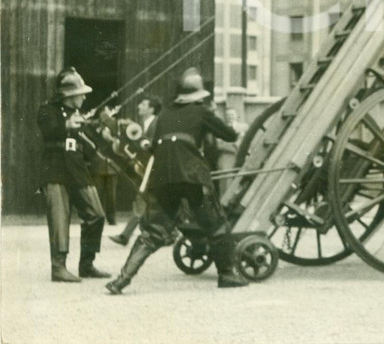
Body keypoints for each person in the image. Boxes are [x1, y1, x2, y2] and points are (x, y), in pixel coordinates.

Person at [106, 68, 248, 294]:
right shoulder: (202, 111)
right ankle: (227, 274)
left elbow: (153, 147)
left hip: (163, 177)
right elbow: (229, 136)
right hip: (192, 177)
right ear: (200, 95)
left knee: (153, 232)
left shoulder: (165, 114)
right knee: (217, 224)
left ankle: (121, 280)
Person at [37, 67, 111, 282]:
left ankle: (86, 264)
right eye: (81, 93)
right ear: (69, 95)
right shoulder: (47, 110)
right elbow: (49, 130)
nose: (85, 96)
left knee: (96, 214)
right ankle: (58, 268)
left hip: (78, 171)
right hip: (55, 171)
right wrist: (67, 125)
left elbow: (87, 147)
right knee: (60, 218)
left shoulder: (79, 116)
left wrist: (100, 135)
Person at [109, 95, 162, 246]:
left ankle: (126, 235)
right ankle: (126, 235)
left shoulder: (156, 124)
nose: (139, 106)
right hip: (146, 169)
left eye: (143, 104)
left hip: (154, 169)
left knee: (143, 199)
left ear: (151, 109)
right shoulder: (142, 125)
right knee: (145, 200)